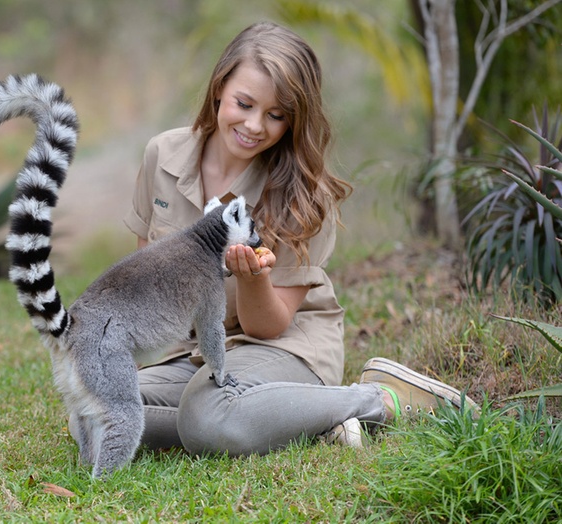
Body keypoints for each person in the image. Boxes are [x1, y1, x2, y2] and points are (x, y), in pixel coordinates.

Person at [122, 21, 477, 454]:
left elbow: (267, 327)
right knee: (98, 410)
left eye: (276, 115)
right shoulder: (162, 155)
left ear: (294, 120)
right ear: (219, 88)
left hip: (284, 346)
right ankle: (302, 418)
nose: (255, 125)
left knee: (206, 416)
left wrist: (252, 277)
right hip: (199, 353)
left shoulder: (304, 193)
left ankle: (377, 400)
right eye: (244, 103)